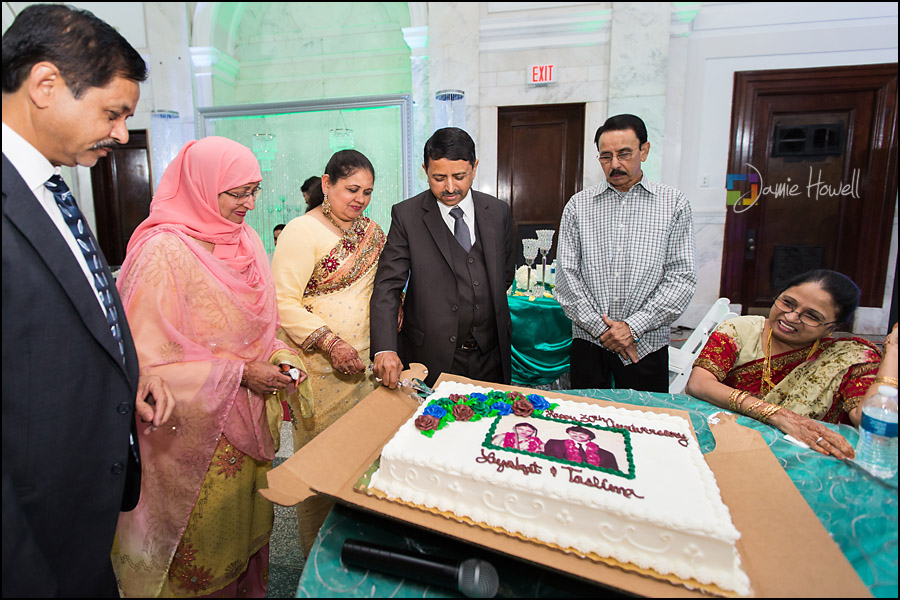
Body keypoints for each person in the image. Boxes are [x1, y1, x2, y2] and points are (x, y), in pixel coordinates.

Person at [2, 5, 176, 597]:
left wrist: (128, 375)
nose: (123, 134)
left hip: (81, 519)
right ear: (46, 85)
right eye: (113, 113)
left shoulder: (50, 184)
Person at [111, 137, 306, 597]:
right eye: (237, 193)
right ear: (202, 187)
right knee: (198, 548)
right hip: (190, 438)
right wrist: (239, 374)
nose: (249, 204)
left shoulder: (248, 241)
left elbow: (258, 330)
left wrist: (279, 354)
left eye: (254, 191)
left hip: (248, 427)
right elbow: (143, 362)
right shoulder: (162, 252)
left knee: (242, 534)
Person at [271, 149, 386, 555]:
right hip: (322, 371)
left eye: (368, 192)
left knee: (364, 463)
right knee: (321, 467)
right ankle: (318, 560)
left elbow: (384, 284)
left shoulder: (371, 232)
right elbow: (282, 302)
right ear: (326, 184)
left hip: (368, 369)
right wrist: (331, 342)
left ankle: (361, 554)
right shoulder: (302, 232)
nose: (360, 199)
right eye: (352, 189)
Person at [686, 270, 896, 460]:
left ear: (832, 328)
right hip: (724, 439)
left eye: (812, 316)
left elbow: (868, 422)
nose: (791, 317)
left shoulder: (848, 358)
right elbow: (699, 383)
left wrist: (893, 352)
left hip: (798, 457)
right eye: (787, 303)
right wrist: (777, 415)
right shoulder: (741, 330)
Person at [556, 114, 696, 393]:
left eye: (624, 154)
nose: (615, 164)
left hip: (646, 345)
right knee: (583, 425)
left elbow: (681, 278)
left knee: (645, 424)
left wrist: (632, 328)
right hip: (589, 342)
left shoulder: (673, 204)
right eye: (606, 157)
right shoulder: (578, 206)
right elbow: (566, 278)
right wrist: (604, 330)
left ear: (644, 151)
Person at [371, 127, 515, 389]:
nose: (450, 187)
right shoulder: (407, 216)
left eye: (459, 176)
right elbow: (387, 286)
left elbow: (505, 275)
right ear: (425, 170)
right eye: (439, 177)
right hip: (431, 357)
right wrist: (384, 348)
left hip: (490, 356)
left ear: (474, 167)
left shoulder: (498, 212)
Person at [543, 426, 619, 470]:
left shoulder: (607, 455)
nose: (578, 435)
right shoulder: (554, 443)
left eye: (583, 434)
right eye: (573, 432)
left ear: (590, 437)